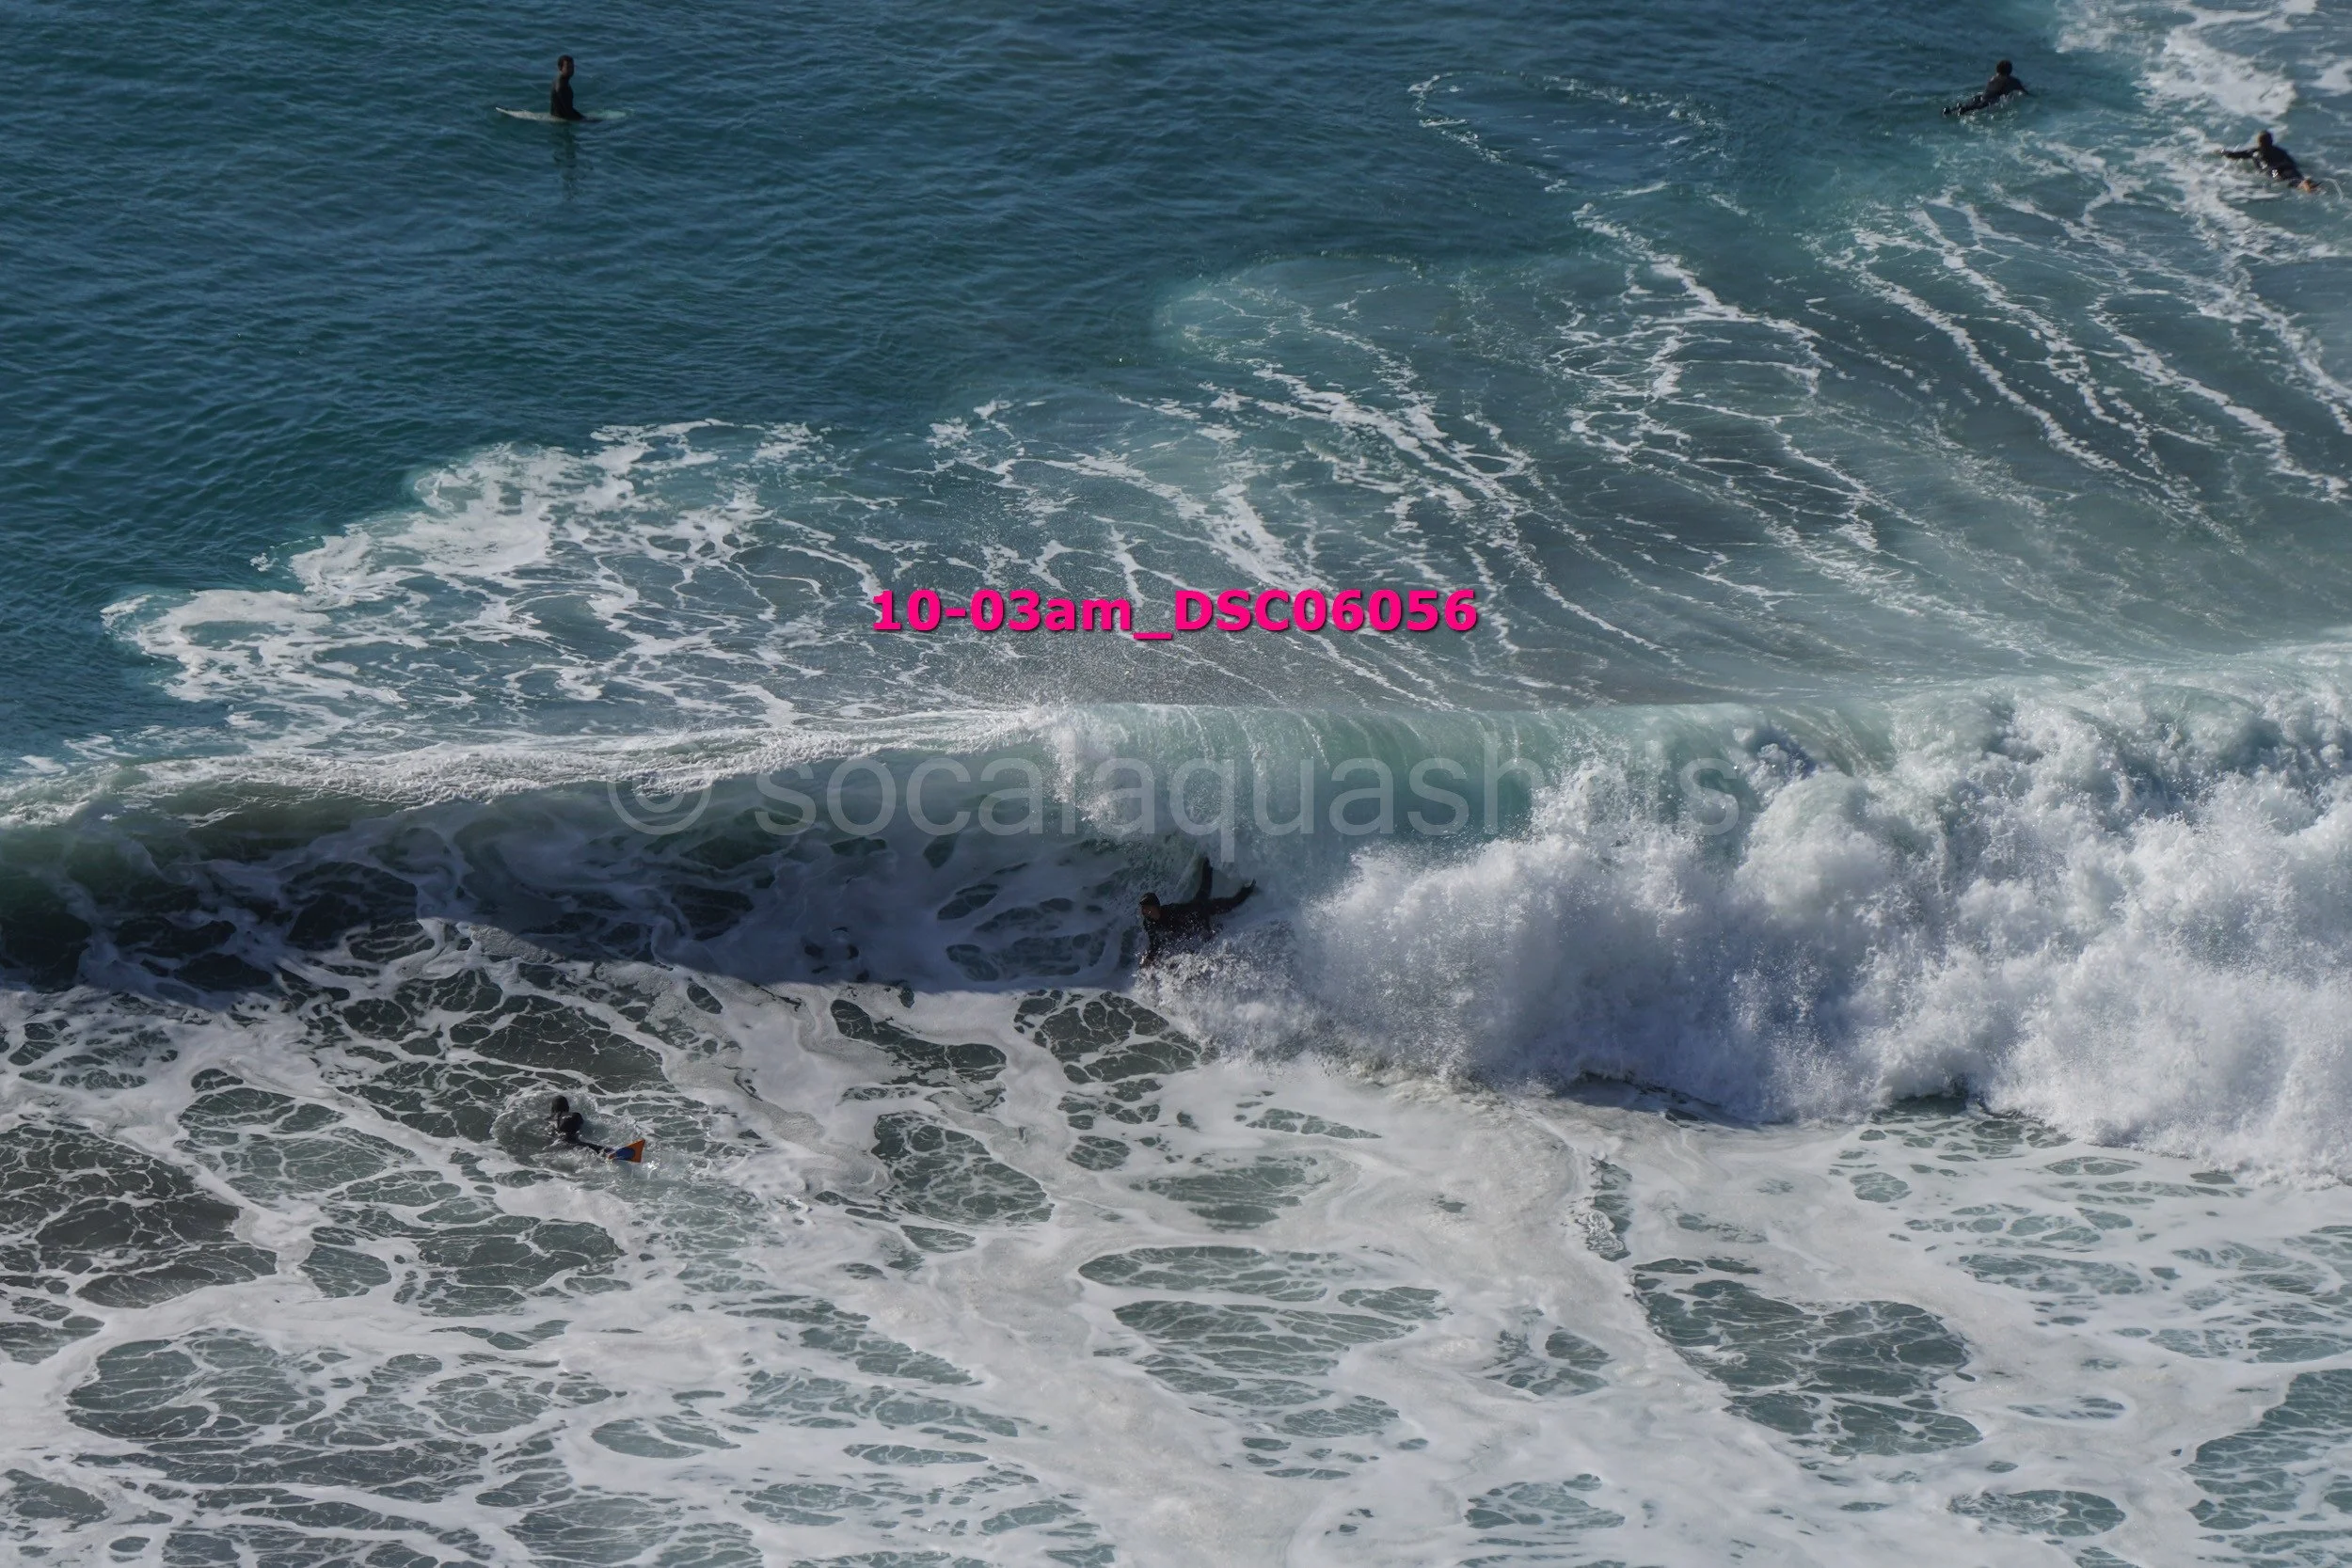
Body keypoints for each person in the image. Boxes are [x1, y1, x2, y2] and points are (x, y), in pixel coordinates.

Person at [1138, 857, 1254, 965]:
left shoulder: (1172, 911)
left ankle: (1249, 886)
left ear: (1156, 906)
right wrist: (1150, 957)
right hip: (1192, 916)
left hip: (1202, 908)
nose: (1145, 911)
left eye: (1147, 908)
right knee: (1205, 886)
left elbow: (1197, 915)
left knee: (1231, 902)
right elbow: (1155, 942)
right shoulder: (1148, 923)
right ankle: (1208, 858)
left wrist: (1208, 930)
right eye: (1143, 908)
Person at [2221, 130, 2317, 190]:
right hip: (2288, 167)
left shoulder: (2254, 152)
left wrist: (2222, 151)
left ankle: (2304, 185)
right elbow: (2292, 162)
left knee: (2282, 180)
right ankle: (2307, 185)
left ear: (2259, 142)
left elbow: (2233, 155)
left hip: (2273, 170)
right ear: (2271, 141)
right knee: (2297, 178)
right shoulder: (2280, 151)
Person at [1945, 60, 2028, 117]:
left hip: (1981, 96)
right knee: (1973, 108)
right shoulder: (2011, 80)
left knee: (1969, 105)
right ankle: (1962, 109)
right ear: (2009, 70)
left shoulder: (1993, 78)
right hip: (1989, 100)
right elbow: (2023, 90)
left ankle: (1952, 110)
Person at [550, 1094, 614, 1155]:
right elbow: (587, 1131)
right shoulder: (575, 1115)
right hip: (574, 1144)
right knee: (609, 1151)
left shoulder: (547, 1120)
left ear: (552, 1109)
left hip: (555, 1146)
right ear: (568, 1107)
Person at [550, 55, 587, 122]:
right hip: (562, 120)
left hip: (558, 116)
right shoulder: (561, 86)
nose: (571, 70)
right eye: (568, 67)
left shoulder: (560, 80)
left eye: (572, 67)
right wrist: (583, 119)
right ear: (560, 68)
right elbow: (568, 111)